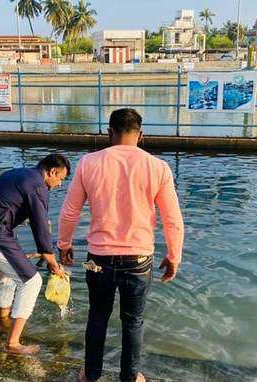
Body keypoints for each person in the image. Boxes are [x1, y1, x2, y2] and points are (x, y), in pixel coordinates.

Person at [58, 108, 184, 382]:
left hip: (97, 258)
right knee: (133, 321)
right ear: (141, 135)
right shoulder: (158, 167)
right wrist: (174, 255)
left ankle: (90, 375)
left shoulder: (88, 162)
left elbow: (69, 212)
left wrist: (64, 244)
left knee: (97, 316)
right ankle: (130, 377)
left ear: (109, 132)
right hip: (139, 259)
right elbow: (172, 219)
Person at [0, 154, 69, 355]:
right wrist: (52, 261)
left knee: (7, 277)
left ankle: (3, 322)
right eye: (60, 179)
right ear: (52, 172)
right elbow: (40, 224)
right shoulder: (37, 185)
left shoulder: (19, 173)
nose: (59, 184)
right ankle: (12, 343)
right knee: (32, 281)